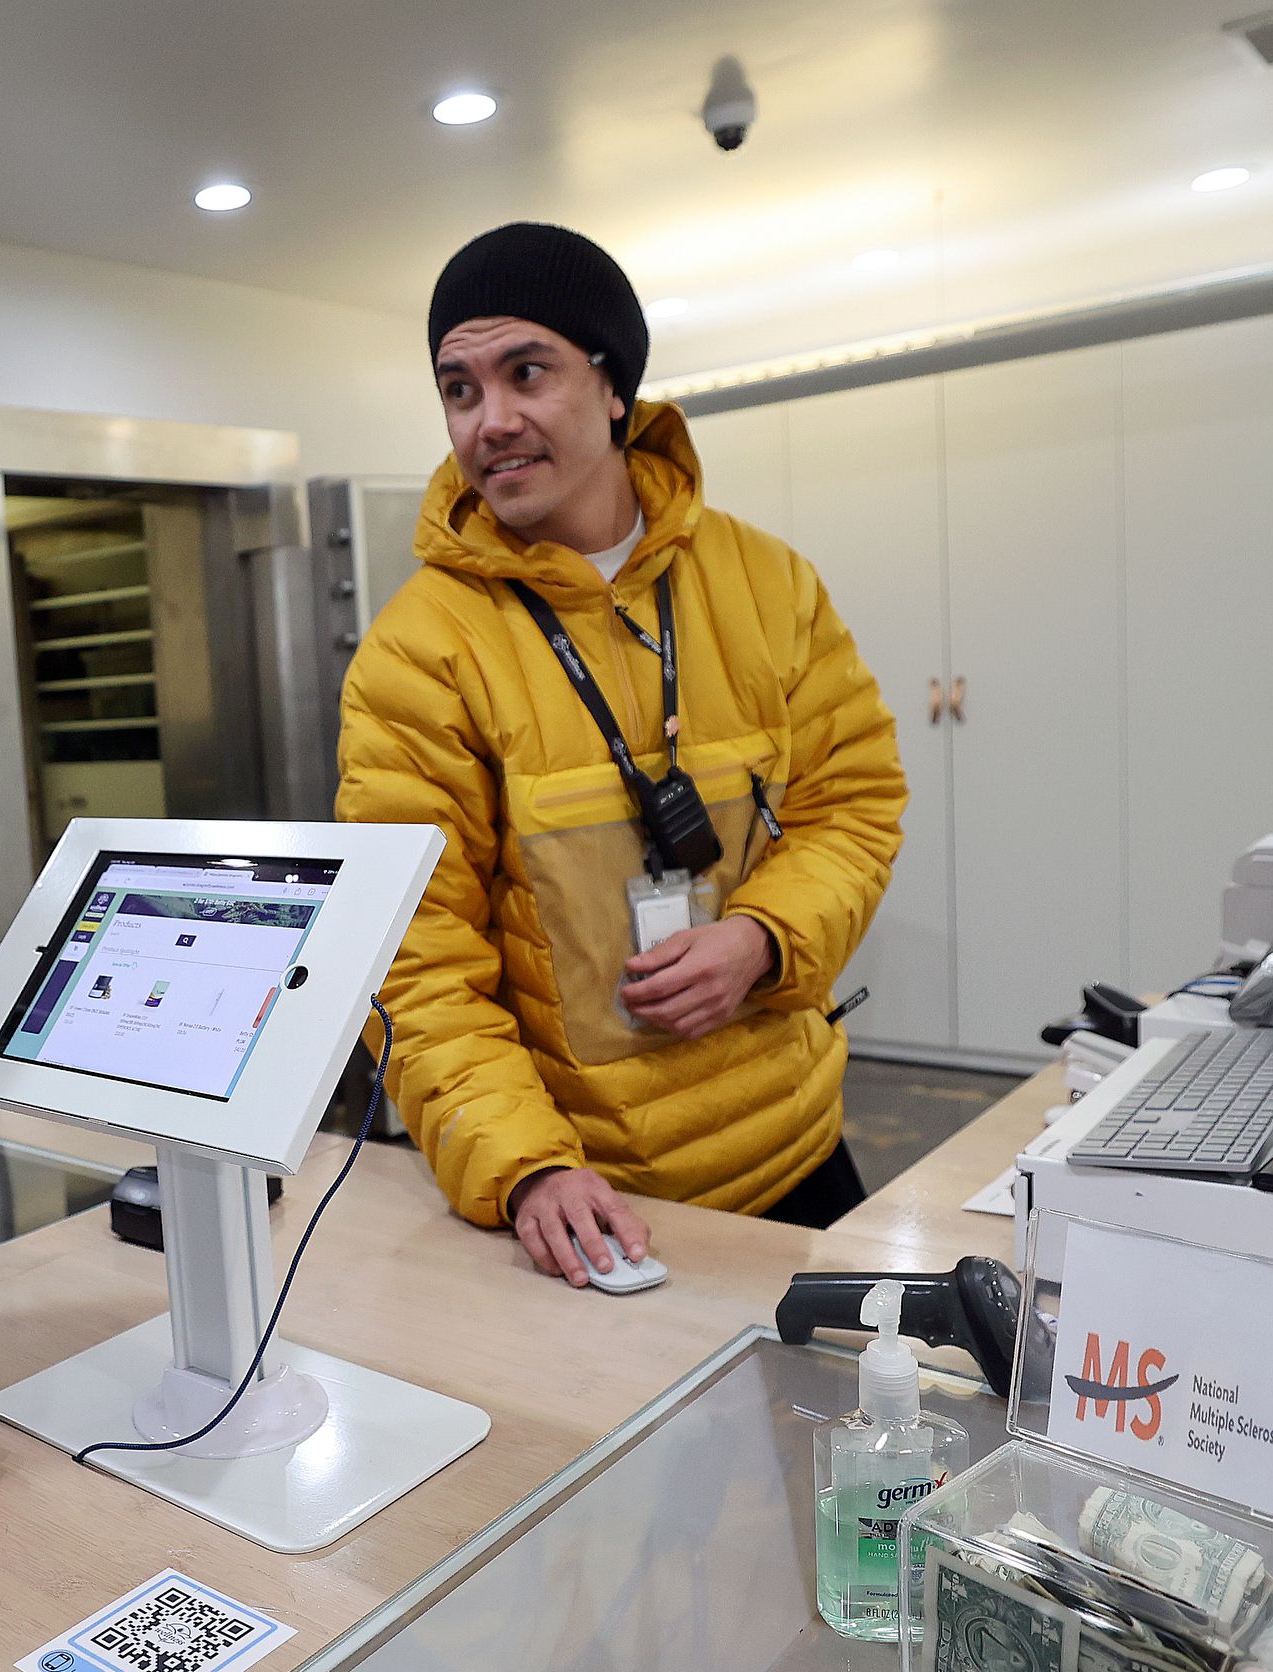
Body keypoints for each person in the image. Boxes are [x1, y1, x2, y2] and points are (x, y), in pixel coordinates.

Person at [336, 222, 904, 1284]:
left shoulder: (766, 582)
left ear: (612, 385)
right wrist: (526, 1165)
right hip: (585, 1204)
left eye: (527, 371)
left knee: (874, 1438)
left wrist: (763, 939)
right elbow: (411, 956)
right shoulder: (419, 653)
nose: (490, 420)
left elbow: (852, 806)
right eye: (459, 389)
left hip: (794, 1149)